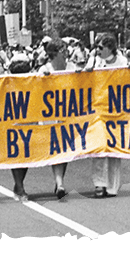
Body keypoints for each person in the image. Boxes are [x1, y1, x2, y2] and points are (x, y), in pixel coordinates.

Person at [85, 33, 128, 197]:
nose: (98, 50)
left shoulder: (122, 61)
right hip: (98, 108)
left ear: (110, 48)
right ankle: (99, 183)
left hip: (117, 109)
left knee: (114, 148)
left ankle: (112, 186)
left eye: (101, 47)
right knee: (98, 146)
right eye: (96, 47)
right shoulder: (95, 60)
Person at [38, 39, 78, 202]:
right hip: (51, 115)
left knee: (66, 150)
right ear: (54, 52)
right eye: (62, 49)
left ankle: (59, 181)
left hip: (68, 113)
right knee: (56, 149)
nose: (66, 51)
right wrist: (43, 79)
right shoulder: (44, 69)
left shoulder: (71, 67)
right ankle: (60, 183)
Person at [7, 52, 33, 201]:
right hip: (13, 120)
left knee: (26, 155)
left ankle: (18, 185)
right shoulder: (5, 81)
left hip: (29, 120)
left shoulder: (33, 79)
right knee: (16, 154)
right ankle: (20, 188)